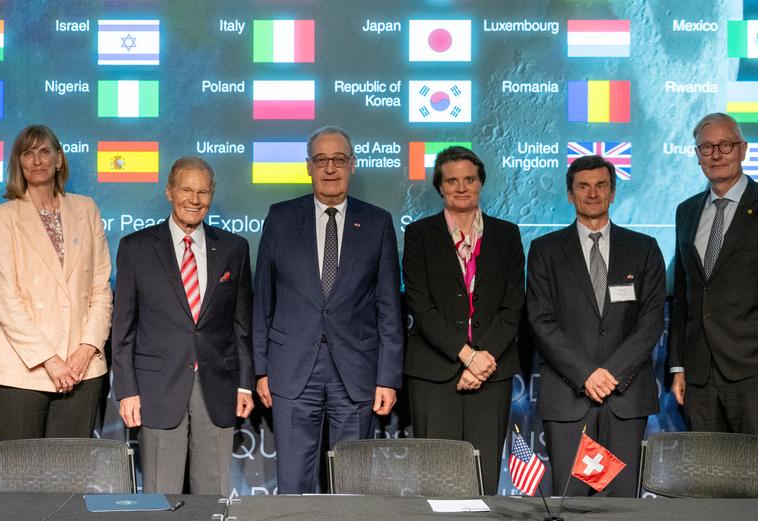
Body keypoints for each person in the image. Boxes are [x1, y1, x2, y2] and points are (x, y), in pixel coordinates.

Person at [253, 126, 403, 494]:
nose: (330, 168)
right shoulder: (281, 218)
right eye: (321, 160)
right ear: (308, 166)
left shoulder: (377, 222)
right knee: (293, 482)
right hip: (290, 370)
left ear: (352, 164)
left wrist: (388, 377)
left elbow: (389, 306)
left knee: (352, 482)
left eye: (339, 159)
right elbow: (262, 302)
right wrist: (260, 370)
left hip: (355, 373)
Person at [111, 156, 254, 496]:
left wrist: (245, 384)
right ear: (169, 192)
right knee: (160, 496)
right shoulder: (136, 248)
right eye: (187, 189)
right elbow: (124, 328)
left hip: (217, 386)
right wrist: (127, 389)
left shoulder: (235, 248)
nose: (195, 199)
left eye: (203, 192)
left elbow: (241, 324)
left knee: (213, 496)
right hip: (157, 388)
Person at [669, 112, 758, 439]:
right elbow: (684, 297)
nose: (717, 154)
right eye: (707, 147)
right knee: (705, 480)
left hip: (757, 373)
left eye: (726, 145)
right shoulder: (686, 211)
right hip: (699, 375)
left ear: (743, 149)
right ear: (697, 156)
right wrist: (679, 366)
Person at [526, 155, 665, 497]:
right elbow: (541, 321)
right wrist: (587, 373)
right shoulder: (545, 250)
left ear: (613, 192)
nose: (592, 193)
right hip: (569, 397)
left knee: (620, 505)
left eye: (601, 185)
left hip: (625, 398)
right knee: (571, 505)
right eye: (583, 186)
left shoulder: (644, 248)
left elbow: (650, 322)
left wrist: (610, 374)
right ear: (570, 194)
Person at [401, 146, 524, 494]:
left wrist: (481, 360)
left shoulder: (506, 234)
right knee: (436, 477)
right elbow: (420, 305)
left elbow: (513, 305)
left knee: (483, 476)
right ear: (439, 186)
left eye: (469, 179)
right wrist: (466, 355)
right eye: (451, 180)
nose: (460, 187)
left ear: (480, 183)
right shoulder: (420, 235)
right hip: (434, 373)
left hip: (491, 370)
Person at [0, 124, 112, 440]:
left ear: (59, 159)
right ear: (19, 163)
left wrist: (85, 351)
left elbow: (100, 287)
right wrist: (51, 361)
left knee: (68, 476)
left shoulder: (86, 209)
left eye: (44, 151)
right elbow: (6, 300)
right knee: (19, 476)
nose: (36, 160)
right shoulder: (3, 217)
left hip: (82, 369)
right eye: (27, 153)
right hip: (22, 370)